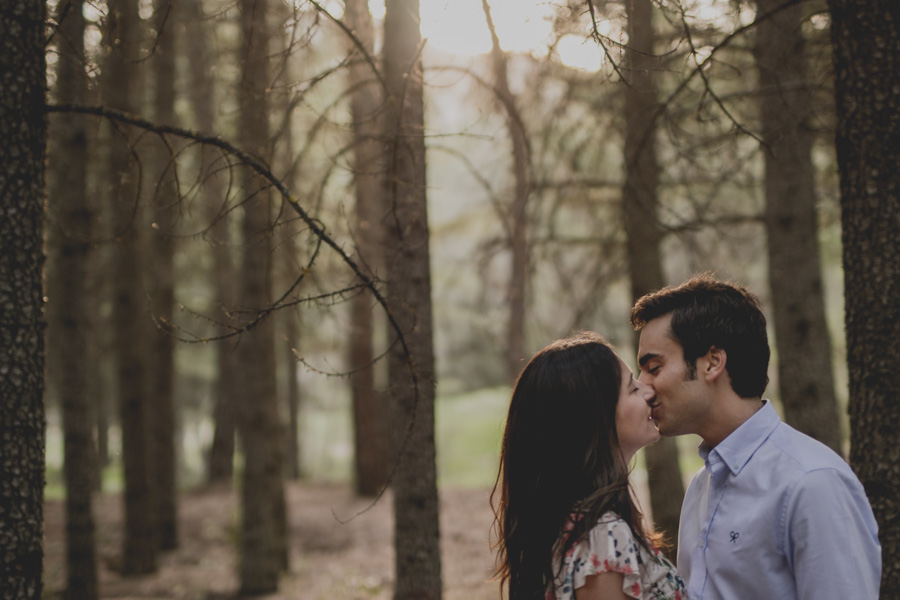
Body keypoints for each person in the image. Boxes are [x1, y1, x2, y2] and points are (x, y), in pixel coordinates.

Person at [630, 273, 882, 600]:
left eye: (654, 367)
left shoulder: (812, 482)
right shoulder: (701, 486)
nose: (643, 386)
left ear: (712, 362)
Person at [492, 331, 688, 600]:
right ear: (597, 419)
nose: (648, 390)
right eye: (632, 387)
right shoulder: (602, 535)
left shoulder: (575, 526)